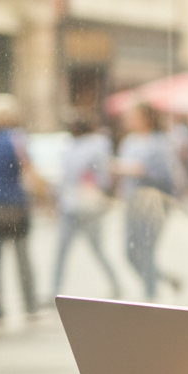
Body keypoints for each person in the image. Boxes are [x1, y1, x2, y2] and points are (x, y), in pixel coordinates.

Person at [50, 113, 121, 301]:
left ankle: (53, 290)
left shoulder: (76, 149)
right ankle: (116, 285)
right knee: (96, 249)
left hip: (74, 205)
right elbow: (103, 178)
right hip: (87, 205)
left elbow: (66, 179)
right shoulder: (98, 146)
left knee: (63, 251)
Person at [114, 103, 180, 300]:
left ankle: (151, 296)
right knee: (131, 252)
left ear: (145, 118)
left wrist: (134, 169)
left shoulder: (159, 143)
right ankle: (164, 280)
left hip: (153, 203)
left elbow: (163, 173)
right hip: (133, 202)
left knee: (147, 250)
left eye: (133, 116)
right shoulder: (129, 142)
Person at [0, 93, 38, 322]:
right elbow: (28, 168)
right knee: (22, 256)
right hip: (15, 204)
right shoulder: (16, 138)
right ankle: (30, 305)